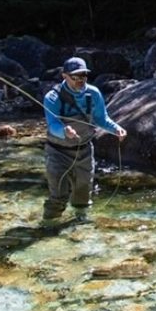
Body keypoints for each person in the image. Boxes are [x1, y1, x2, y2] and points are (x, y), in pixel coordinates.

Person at [42, 56, 126, 222]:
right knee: (58, 195)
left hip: (84, 151)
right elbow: (52, 125)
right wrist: (64, 131)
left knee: (83, 195)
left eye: (84, 76)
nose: (80, 80)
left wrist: (116, 129)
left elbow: (102, 119)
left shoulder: (93, 93)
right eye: (75, 76)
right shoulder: (52, 98)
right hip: (57, 152)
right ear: (64, 76)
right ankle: (48, 227)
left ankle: (80, 225)